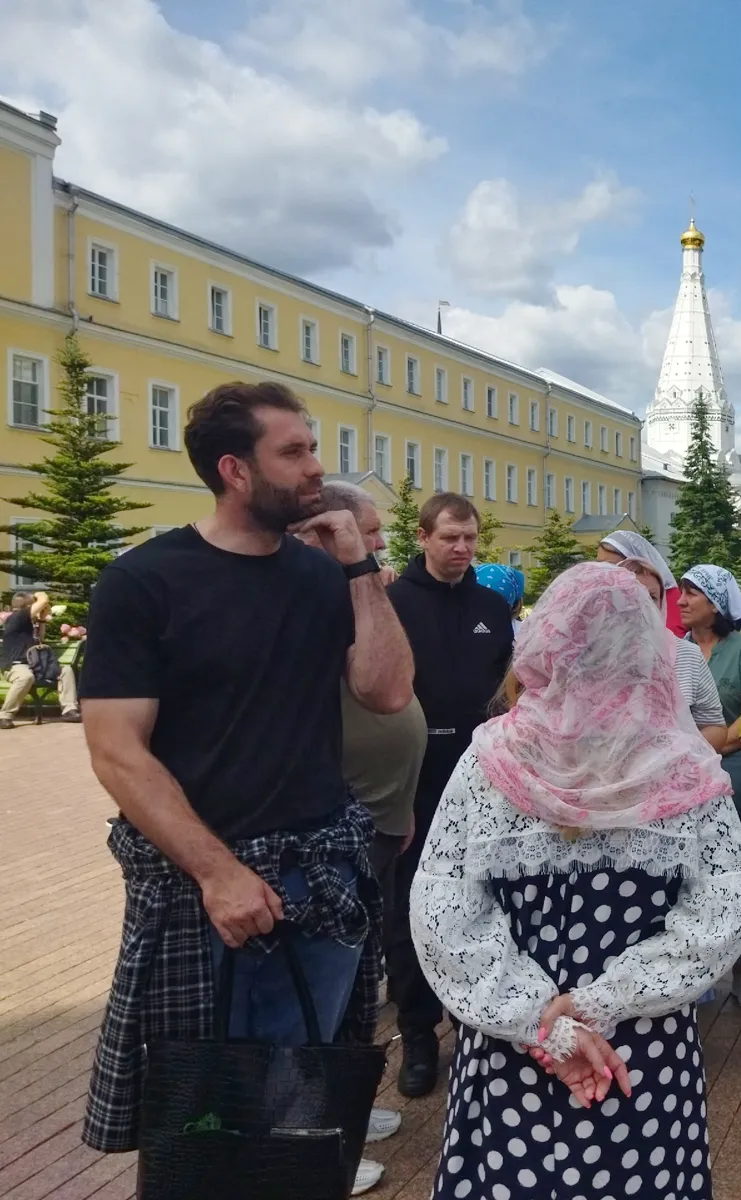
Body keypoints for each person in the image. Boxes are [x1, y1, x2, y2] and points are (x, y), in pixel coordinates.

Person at [79, 380, 413, 1165]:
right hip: (202, 888)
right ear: (234, 470)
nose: (314, 468)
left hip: (319, 874)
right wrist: (217, 872)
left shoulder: (320, 574)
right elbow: (116, 749)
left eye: (312, 447)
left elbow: (387, 689)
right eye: (293, 451)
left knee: (300, 1096)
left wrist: (360, 568)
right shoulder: (145, 582)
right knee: (198, 1116)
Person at [410, 562, 741, 1200]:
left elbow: (444, 910)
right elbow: (722, 909)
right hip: (639, 1046)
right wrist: (603, 1001)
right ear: (645, 650)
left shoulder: (491, 760)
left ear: (546, 645)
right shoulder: (685, 769)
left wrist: (545, 1018)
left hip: (517, 1046)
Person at [313, 480, 427, 1185]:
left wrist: (401, 806)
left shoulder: (359, 598)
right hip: (335, 829)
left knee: (359, 981)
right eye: (371, 533)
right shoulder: (313, 609)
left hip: (381, 822)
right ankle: (325, 1136)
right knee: (326, 987)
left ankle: (348, 1106)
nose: (383, 545)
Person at [386, 492, 515, 1097]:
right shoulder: (392, 603)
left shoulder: (491, 605)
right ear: (422, 537)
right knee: (409, 911)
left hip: (484, 781)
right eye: (449, 539)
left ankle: (476, 1024)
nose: (462, 549)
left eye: (469, 539)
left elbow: (511, 689)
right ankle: (417, 1035)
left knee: (482, 903)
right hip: (412, 784)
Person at [679, 564, 741, 1011]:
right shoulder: (677, 651)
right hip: (686, 783)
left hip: (736, 776)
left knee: (738, 879)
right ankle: (699, 975)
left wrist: (708, 746)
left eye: (691, 594)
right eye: (679, 592)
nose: (681, 601)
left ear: (714, 603)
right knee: (694, 882)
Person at [612, 555, 727, 747]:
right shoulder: (590, 658)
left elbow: (715, 727)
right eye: (633, 595)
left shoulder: (687, 655)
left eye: (652, 597)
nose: (645, 605)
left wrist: (677, 754)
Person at [1, 590, 81, 728]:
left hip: (35, 664)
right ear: (27, 607)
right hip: (15, 665)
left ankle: (69, 710)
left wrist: (42, 619)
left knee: (65, 670)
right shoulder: (17, 617)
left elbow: (40, 640)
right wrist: (39, 594)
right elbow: (43, 600)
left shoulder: (28, 623)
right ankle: (4, 715)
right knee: (25, 677)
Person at [597, 529, 686, 637]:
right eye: (599, 565)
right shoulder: (601, 601)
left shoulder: (672, 600)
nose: (602, 572)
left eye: (610, 566)